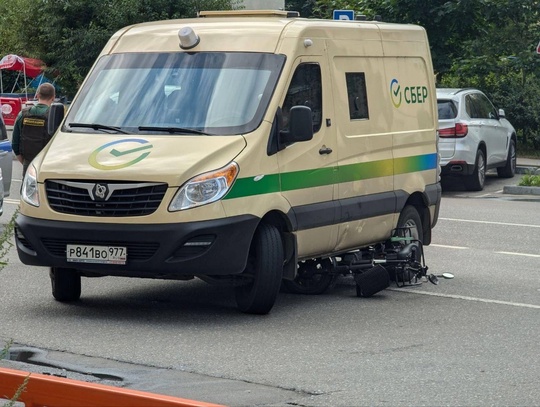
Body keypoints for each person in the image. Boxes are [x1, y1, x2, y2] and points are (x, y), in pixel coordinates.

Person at [12, 83, 56, 177]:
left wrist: (25, 162)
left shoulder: (23, 114)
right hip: (48, 164)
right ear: (53, 97)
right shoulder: (55, 117)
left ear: (37, 95)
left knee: (28, 191)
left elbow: (15, 144)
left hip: (28, 162)